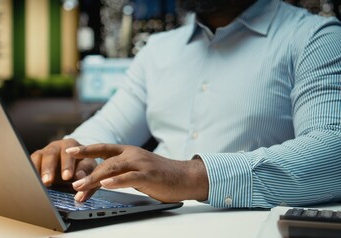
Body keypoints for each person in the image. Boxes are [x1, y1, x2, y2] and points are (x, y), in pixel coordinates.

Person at [31, 0, 341, 208]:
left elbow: (333, 152)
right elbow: (109, 127)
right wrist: (74, 154)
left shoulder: (314, 37)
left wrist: (189, 176)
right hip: (149, 227)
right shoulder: (159, 50)